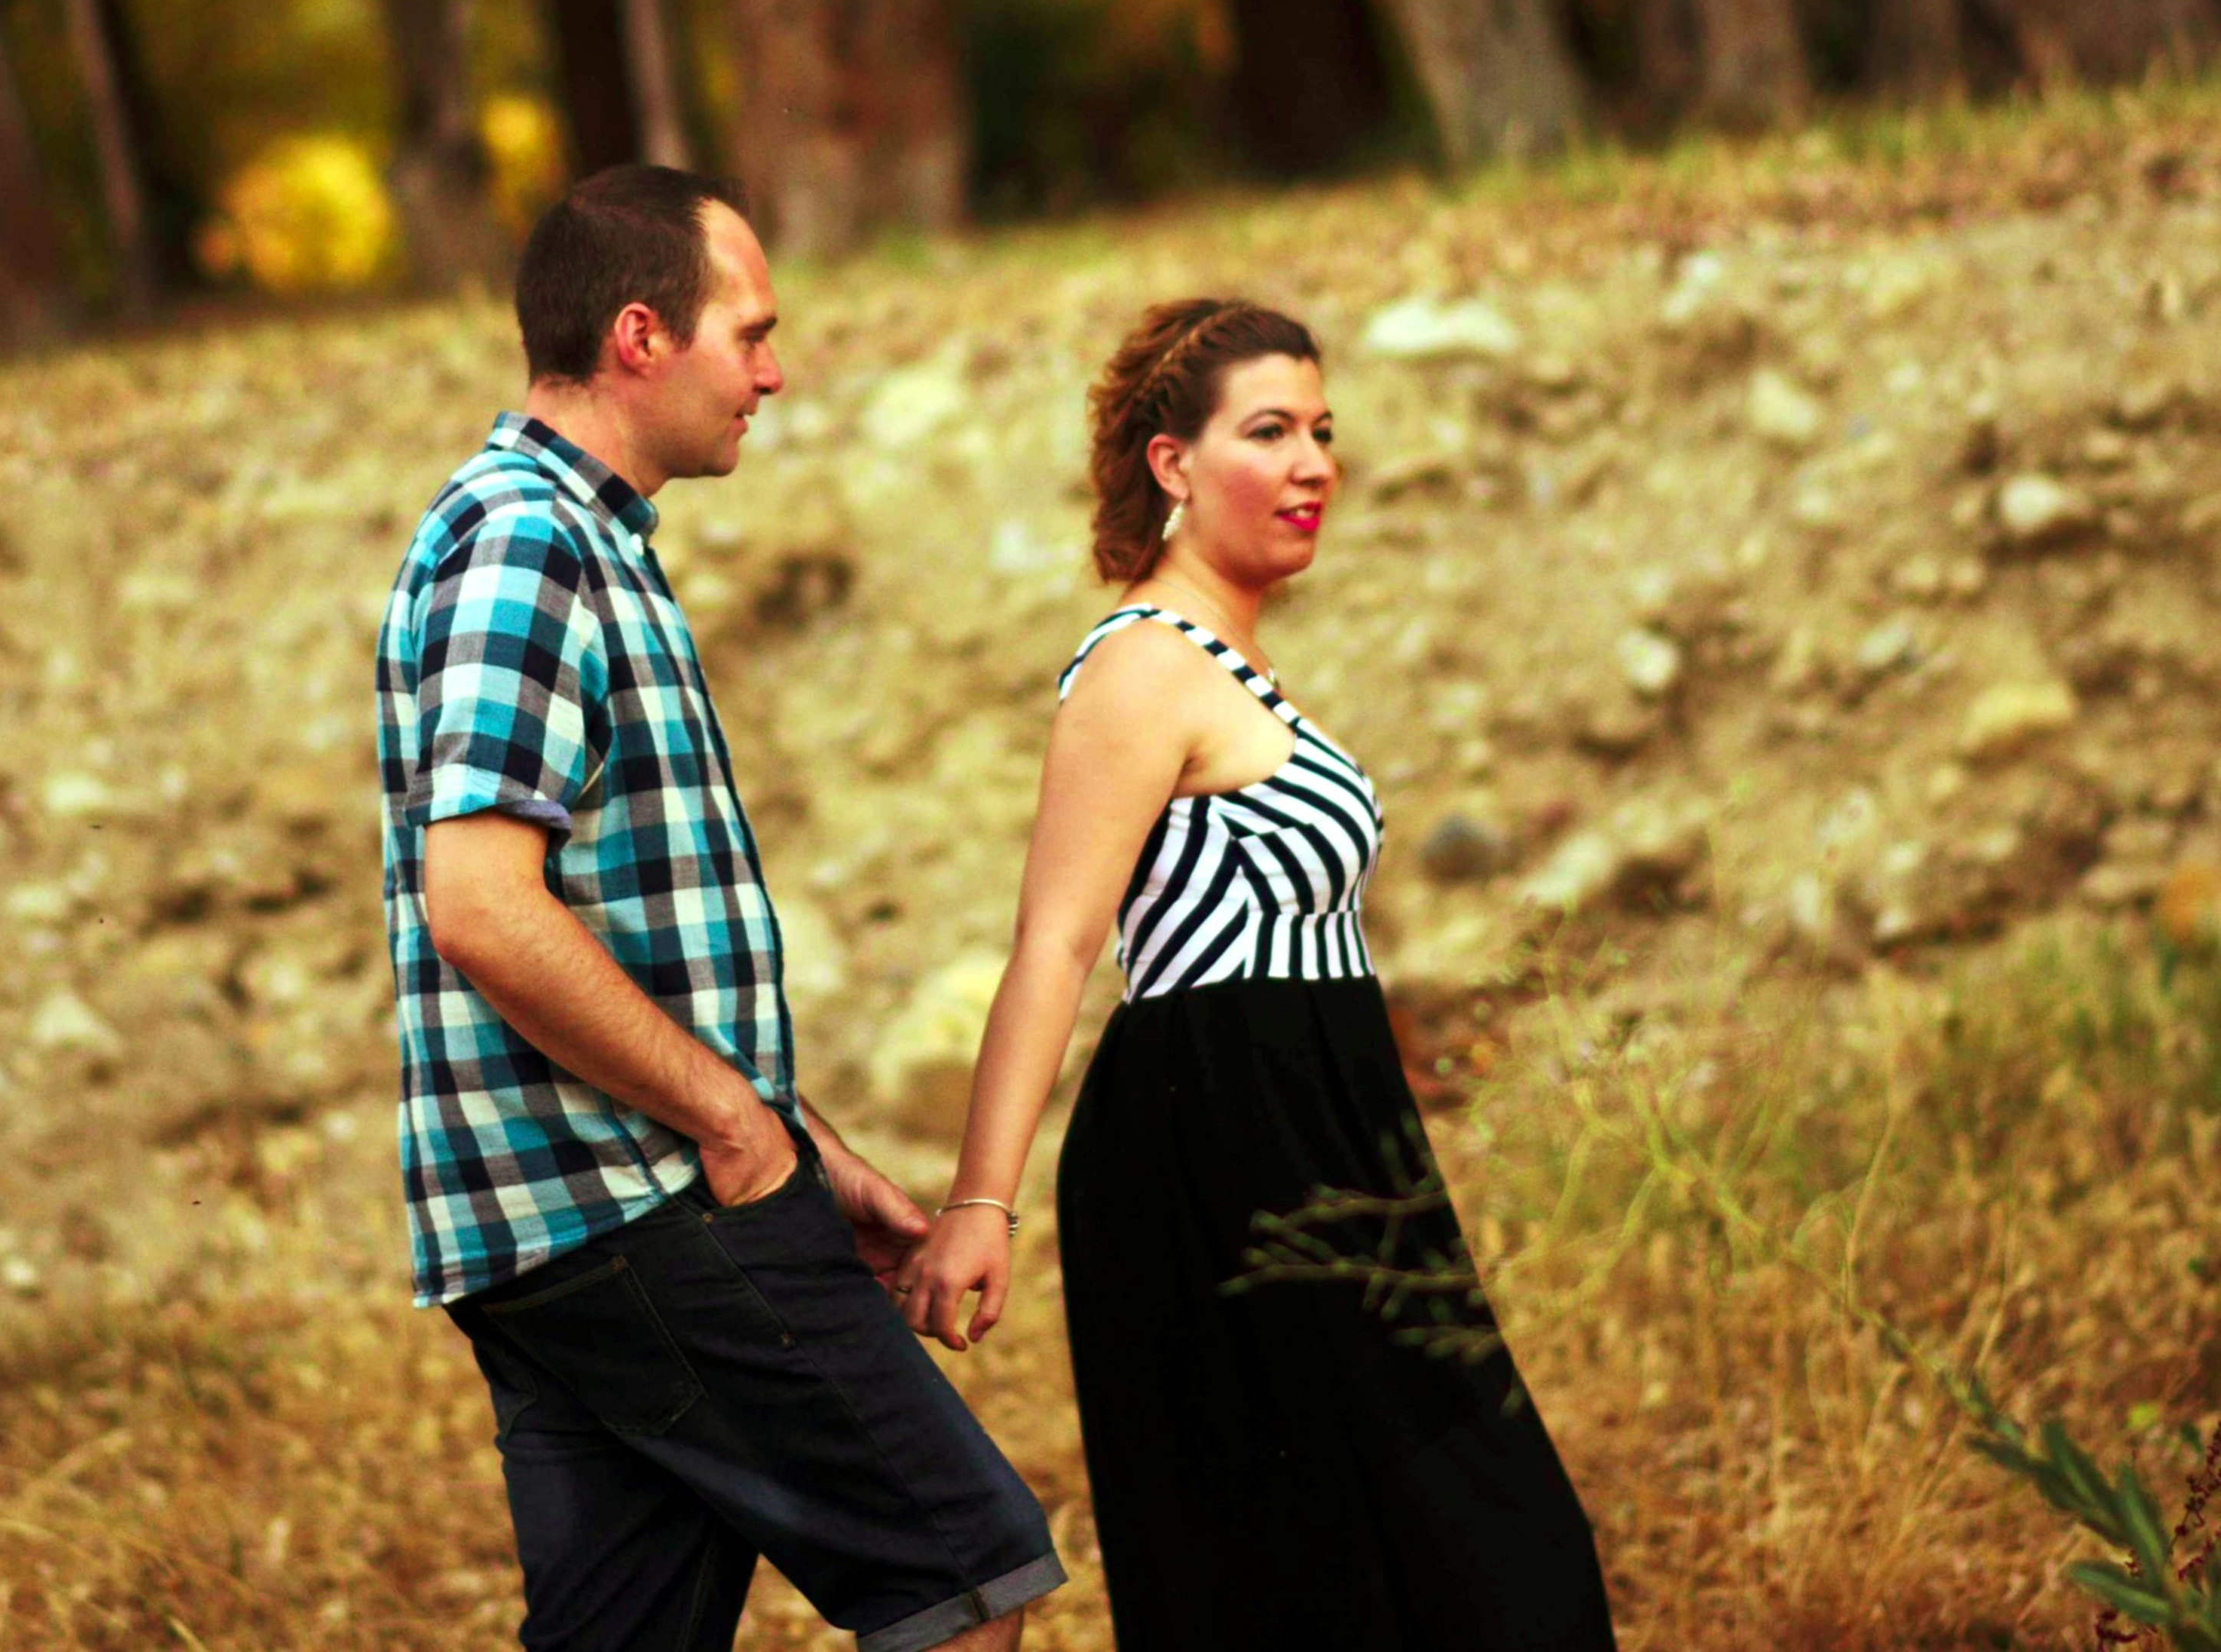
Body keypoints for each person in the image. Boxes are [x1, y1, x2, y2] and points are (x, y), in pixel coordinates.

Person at [374, 164, 1064, 1652]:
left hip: (582, 1219)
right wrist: (739, 1135)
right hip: (633, 1203)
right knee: (965, 1584)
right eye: (746, 334)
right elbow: (482, 906)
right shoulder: (526, 543)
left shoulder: (584, 541)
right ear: (639, 335)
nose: (774, 369)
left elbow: (615, 929)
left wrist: (807, 1146)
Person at [889, 299, 1617, 1650]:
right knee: (1359, 1557)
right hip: (1219, 1140)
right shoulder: (1140, 669)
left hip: (1328, 1131)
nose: (1314, 463)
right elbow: (1055, 940)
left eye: (1323, 431)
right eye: (1270, 431)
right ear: (1172, 465)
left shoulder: (1241, 665)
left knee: (1462, 1539)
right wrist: (981, 1199)